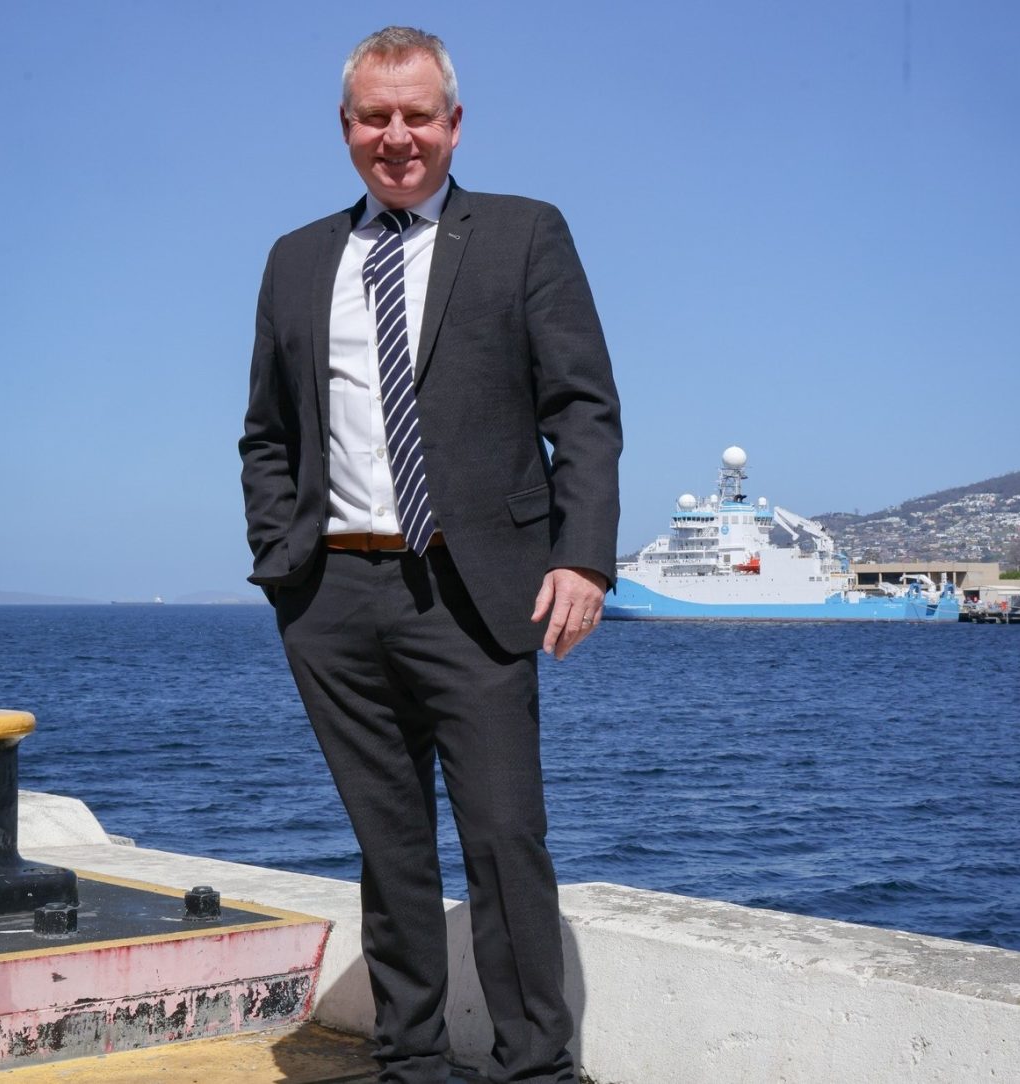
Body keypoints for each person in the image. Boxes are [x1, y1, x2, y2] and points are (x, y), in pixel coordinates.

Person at [239, 26, 621, 1084]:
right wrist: (285, 564)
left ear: (454, 125)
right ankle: (409, 1061)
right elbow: (266, 433)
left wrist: (582, 558)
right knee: (389, 844)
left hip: (476, 590)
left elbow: (583, 412)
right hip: (333, 596)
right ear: (347, 127)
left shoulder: (524, 235)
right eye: (375, 116)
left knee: (504, 839)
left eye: (418, 115)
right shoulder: (296, 259)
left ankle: (536, 1065)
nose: (396, 136)